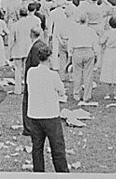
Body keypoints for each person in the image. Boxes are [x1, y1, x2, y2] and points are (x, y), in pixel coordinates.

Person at [26, 44, 69, 172]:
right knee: (57, 148)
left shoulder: (31, 72)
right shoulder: (53, 75)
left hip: (34, 115)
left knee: (37, 147)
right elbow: (61, 91)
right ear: (49, 59)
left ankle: (38, 172)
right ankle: (62, 172)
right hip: (50, 115)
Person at [67, 13, 99, 103]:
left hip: (77, 52)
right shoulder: (91, 31)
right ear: (87, 21)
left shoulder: (74, 31)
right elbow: (95, 44)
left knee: (77, 74)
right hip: (88, 51)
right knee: (88, 75)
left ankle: (76, 94)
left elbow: (70, 43)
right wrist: (96, 54)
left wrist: (70, 55)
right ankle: (86, 95)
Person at [22, 26, 46, 137]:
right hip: (41, 77)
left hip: (33, 78)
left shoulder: (35, 47)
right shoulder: (42, 45)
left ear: (31, 35)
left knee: (28, 102)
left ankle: (29, 127)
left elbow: (35, 64)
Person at [99, 15, 116, 100]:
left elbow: (101, 42)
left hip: (109, 52)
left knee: (108, 70)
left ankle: (107, 93)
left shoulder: (107, 33)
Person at [8, 7, 32, 95]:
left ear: (19, 14)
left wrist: (9, 51)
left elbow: (11, 40)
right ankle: (27, 88)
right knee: (27, 69)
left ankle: (17, 89)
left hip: (17, 48)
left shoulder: (15, 25)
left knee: (18, 70)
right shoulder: (30, 24)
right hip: (27, 48)